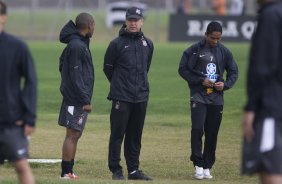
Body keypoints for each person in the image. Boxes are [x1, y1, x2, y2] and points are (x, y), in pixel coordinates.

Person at [178, 21, 238, 180]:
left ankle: (207, 165)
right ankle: (198, 164)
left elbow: (233, 72)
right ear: (206, 34)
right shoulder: (194, 50)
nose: (215, 41)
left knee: (212, 133)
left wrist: (225, 85)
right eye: (213, 38)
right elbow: (182, 69)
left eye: (218, 38)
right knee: (197, 129)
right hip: (198, 96)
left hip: (216, 99)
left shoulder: (224, 52)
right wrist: (199, 81)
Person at [104, 7, 154, 181]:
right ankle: (116, 169)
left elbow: (145, 68)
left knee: (135, 135)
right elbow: (108, 69)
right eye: (130, 20)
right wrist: (120, 85)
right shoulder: (116, 44)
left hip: (140, 97)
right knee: (117, 134)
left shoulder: (147, 44)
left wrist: (138, 87)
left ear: (142, 22)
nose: (133, 23)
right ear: (125, 21)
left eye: (136, 20)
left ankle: (133, 170)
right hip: (121, 97)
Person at [241, 0, 282, 184]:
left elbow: (262, 66)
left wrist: (251, 107)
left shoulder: (271, 14)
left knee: (271, 167)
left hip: (271, 104)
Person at [0, 1, 37, 184]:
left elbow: (30, 81)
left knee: (21, 166)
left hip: (11, 120)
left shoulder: (17, 47)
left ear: (4, 17)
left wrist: (29, 117)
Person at [58, 12, 95, 179]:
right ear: (89, 25)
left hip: (76, 97)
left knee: (76, 134)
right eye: (93, 25)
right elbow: (75, 75)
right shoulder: (76, 46)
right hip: (76, 99)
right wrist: (84, 99)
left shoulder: (79, 44)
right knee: (72, 134)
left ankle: (70, 171)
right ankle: (66, 172)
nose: (94, 28)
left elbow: (62, 65)